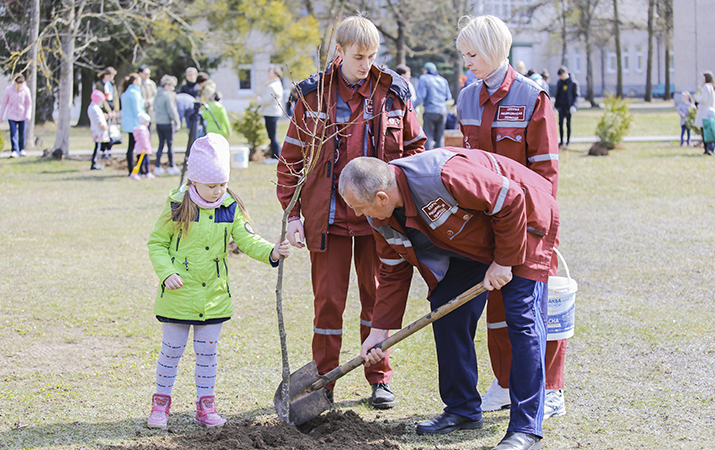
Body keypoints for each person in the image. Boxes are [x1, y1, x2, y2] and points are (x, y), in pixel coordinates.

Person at [339, 149, 558, 450]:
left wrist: (505, 261)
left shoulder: (441, 175)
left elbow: (510, 199)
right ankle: (463, 409)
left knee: (522, 319)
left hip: (525, 221)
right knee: (445, 308)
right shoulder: (382, 219)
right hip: (475, 237)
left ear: (381, 197)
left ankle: (526, 428)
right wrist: (378, 334)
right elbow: (392, 273)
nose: (357, 215)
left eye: (359, 207)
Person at [276, 15, 426, 409]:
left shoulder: (394, 93)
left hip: (379, 220)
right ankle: (323, 381)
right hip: (328, 223)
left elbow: (416, 151)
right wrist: (292, 215)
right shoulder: (312, 96)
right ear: (338, 52)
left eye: (373, 56)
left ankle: (379, 377)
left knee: (377, 299)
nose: (367, 64)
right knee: (328, 304)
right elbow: (291, 160)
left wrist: (406, 205)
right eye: (359, 56)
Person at [455, 14, 564, 442]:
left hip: (531, 221)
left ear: (496, 50)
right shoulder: (465, 98)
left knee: (537, 311)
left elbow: (546, 171)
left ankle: (550, 389)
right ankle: (504, 382)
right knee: (496, 310)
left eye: (473, 54)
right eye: (463, 55)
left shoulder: (532, 97)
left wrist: (540, 227)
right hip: (486, 225)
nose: (467, 63)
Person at [146, 133, 291, 429]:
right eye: (212, 186)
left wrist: (272, 252)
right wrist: (167, 272)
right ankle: (160, 405)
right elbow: (156, 243)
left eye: (222, 185)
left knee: (208, 354)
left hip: (214, 296)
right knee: (171, 352)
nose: (218, 191)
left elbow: (247, 240)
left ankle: (206, 406)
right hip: (178, 295)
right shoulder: (177, 206)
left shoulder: (230, 207)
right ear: (193, 181)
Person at [415, 62, 452, 149]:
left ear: (426, 70)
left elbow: (421, 96)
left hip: (430, 111)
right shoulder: (443, 80)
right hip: (442, 111)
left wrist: (412, 107)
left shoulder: (424, 78)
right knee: (440, 137)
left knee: (428, 137)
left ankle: (428, 159)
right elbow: (448, 97)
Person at [153, 75, 182, 175]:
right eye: (172, 86)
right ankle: (171, 166)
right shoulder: (168, 96)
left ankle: (157, 166)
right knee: (170, 145)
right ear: (167, 85)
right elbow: (172, 110)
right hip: (167, 123)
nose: (173, 88)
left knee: (160, 145)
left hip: (158, 122)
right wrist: (177, 121)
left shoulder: (157, 95)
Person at [120, 73, 147, 177]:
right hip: (136, 124)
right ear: (135, 81)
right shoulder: (134, 93)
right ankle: (137, 169)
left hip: (128, 123)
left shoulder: (126, 93)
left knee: (131, 146)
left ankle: (132, 169)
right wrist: (144, 120)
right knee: (138, 147)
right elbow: (137, 110)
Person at [257, 65, 285, 163]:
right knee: (272, 136)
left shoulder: (273, 85)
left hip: (271, 113)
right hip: (273, 112)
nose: (268, 73)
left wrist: (258, 100)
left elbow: (266, 100)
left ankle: (276, 157)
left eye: (270, 71)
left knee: (272, 136)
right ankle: (275, 155)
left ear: (276, 73)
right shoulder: (276, 84)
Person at [0, 74, 32, 158]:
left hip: (22, 115)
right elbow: (4, 103)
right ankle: (14, 150)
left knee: (22, 133)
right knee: (13, 133)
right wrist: (1, 116)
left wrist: (28, 115)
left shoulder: (26, 90)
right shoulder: (9, 90)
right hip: (11, 115)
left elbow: (29, 104)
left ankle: (22, 149)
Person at [554, 65, 579, 147]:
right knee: (560, 124)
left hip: (569, 107)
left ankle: (568, 142)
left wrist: (574, 106)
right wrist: (556, 105)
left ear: (566, 73)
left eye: (562, 75)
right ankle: (561, 141)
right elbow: (557, 95)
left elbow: (576, 96)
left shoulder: (573, 83)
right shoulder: (560, 82)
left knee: (568, 124)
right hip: (561, 106)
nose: (561, 77)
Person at [88, 89, 110, 170]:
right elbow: (98, 120)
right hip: (98, 130)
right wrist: (103, 126)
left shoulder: (93, 107)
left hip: (97, 130)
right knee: (98, 147)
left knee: (98, 146)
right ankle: (94, 163)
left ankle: (96, 162)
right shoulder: (94, 108)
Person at [694, 71, 715, 149]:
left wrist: (698, 98)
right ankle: (709, 148)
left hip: (704, 112)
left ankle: (706, 149)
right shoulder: (711, 86)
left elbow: (704, 99)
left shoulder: (706, 86)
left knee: (704, 132)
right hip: (709, 112)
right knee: (709, 131)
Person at [130, 112, 154, 180]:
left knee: (140, 161)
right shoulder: (142, 129)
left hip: (139, 148)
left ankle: (142, 172)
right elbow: (144, 139)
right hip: (143, 149)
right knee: (144, 161)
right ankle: (146, 172)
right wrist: (146, 146)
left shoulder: (137, 128)